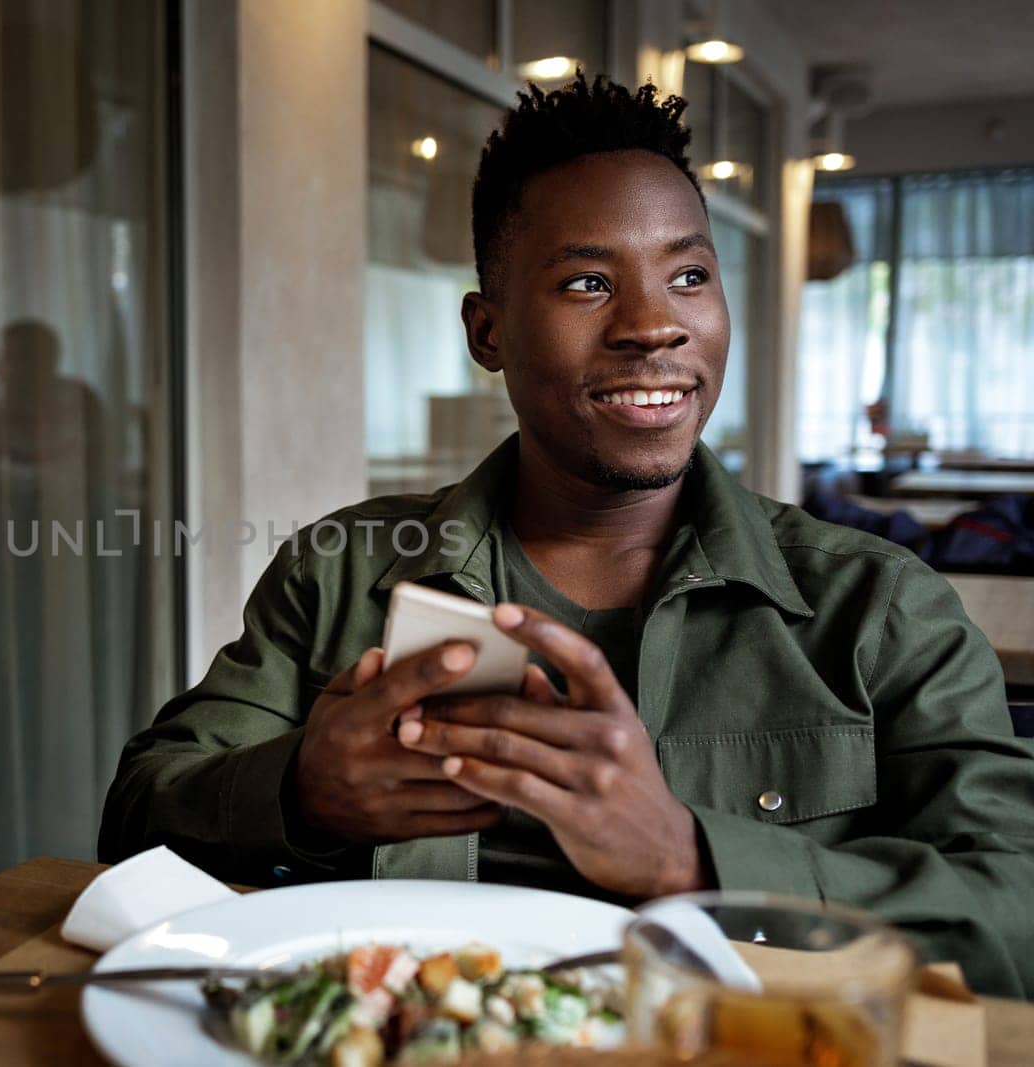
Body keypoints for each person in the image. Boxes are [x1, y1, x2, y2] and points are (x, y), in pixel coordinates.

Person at [98, 75, 1034, 997]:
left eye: (689, 275)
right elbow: (138, 814)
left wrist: (692, 858)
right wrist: (301, 792)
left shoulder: (878, 607)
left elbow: (1017, 907)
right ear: (488, 329)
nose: (655, 325)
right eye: (589, 281)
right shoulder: (336, 576)